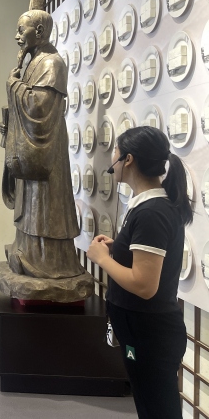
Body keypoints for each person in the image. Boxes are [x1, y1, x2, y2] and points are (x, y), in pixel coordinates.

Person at [87, 126, 192, 419]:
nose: (113, 158)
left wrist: (102, 259)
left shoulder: (151, 213)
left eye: (116, 152)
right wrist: (119, 247)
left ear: (128, 159)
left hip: (148, 332)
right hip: (143, 329)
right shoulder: (148, 207)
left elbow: (145, 285)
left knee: (157, 409)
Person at [0, 0, 81, 280]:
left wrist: (13, 86)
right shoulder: (33, 61)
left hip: (46, 150)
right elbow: (28, 105)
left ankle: (47, 262)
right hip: (31, 147)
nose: (17, 36)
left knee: (45, 206)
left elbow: (40, 107)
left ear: (40, 31)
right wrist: (11, 124)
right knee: (30, 202)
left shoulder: (51, 63)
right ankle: (27, 251)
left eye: (21, 30)